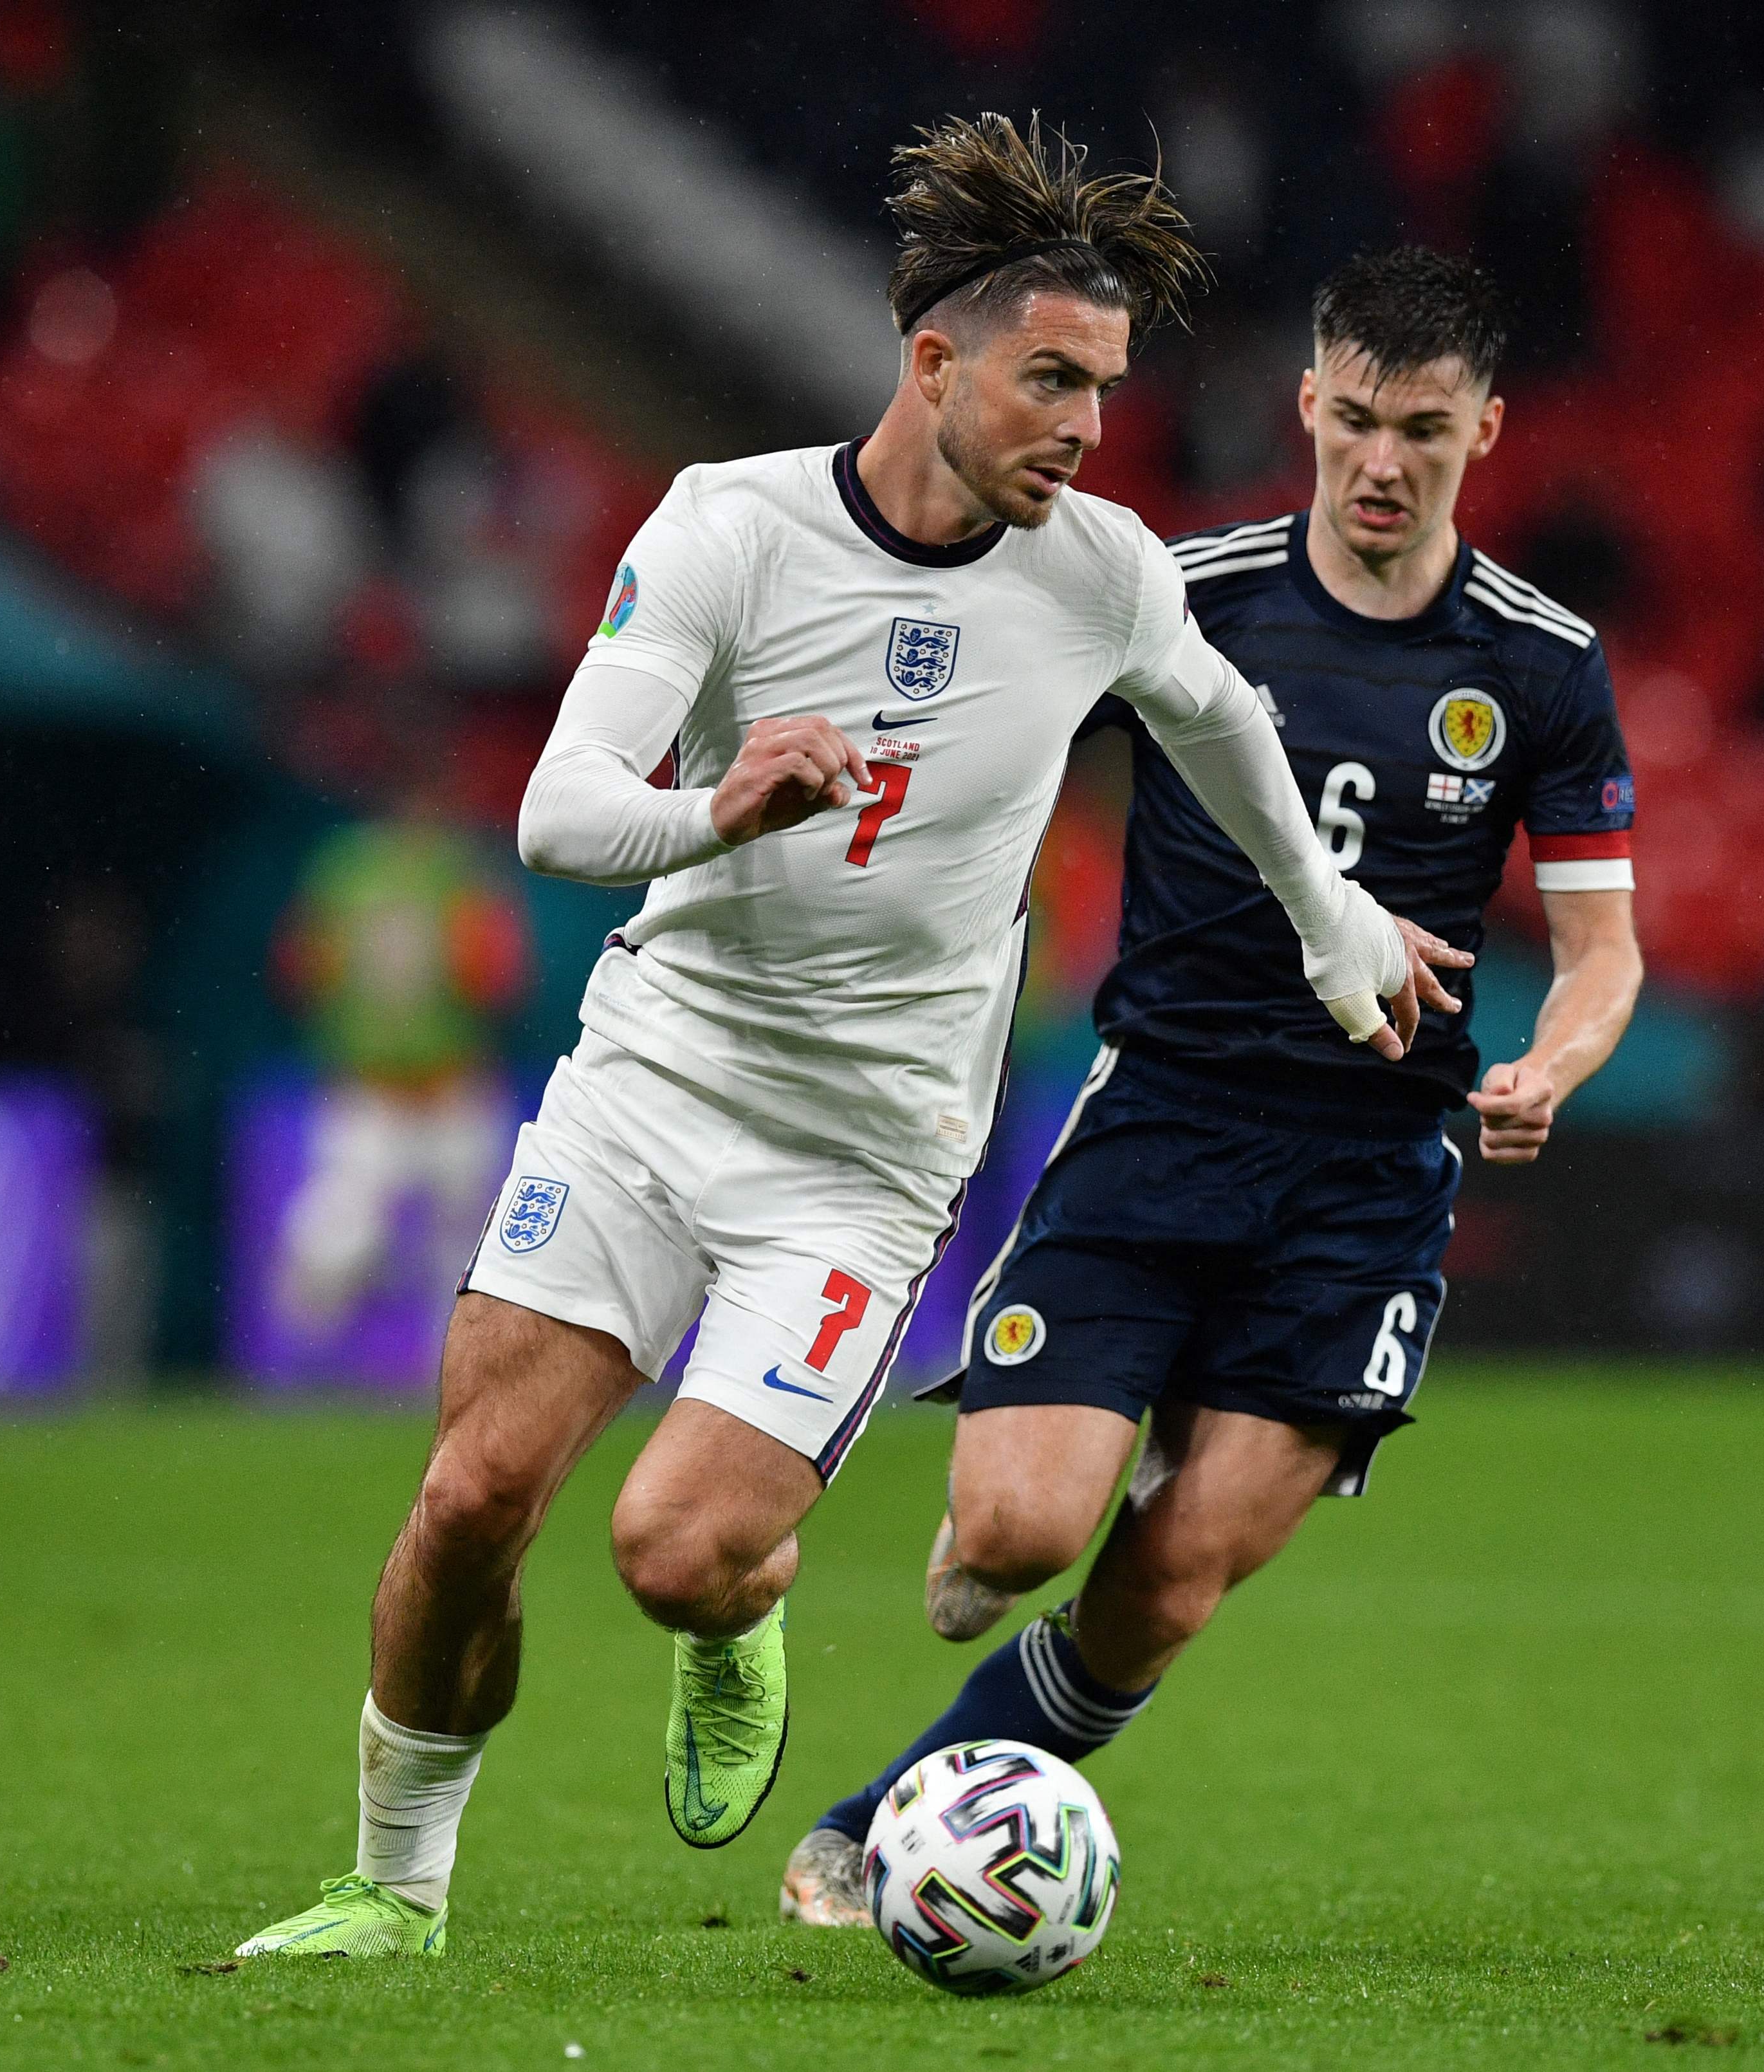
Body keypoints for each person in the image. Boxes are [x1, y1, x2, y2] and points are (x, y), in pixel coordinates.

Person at [231, 115, 1451, 1960]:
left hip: (861, 1164)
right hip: (658, 1076)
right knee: (472, 1492)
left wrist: (1329, 915)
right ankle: (394, 1890)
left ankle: (739, 1610)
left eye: (1105, 389)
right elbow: (561, 813)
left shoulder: (1097, 568)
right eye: (1051, 378)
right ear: (933, 362)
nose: (1084, 426)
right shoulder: (730, 526)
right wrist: (718, 811)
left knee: (670, 1548)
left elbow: (1217, 717)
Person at [776, 247, 1646, 1921]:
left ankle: (888, 1811)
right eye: (1357, 422)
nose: (1381, 466)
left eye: (1426, 433)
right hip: (1161, 1122)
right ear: (1307, 403)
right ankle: (1023, 1512)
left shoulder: (1537, 663)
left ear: (1486, 432)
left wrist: (1556, 1056)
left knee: (1170, 1579)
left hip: (1365, 1175)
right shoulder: (1182, 594)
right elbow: (980, 731)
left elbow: (1604, 948)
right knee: (1020, 1540)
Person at [268, 779, 534, 1348]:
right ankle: (293, 1363)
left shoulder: (351, 869)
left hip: (445, 1084)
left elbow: (300, 971)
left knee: (460, 1248)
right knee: (348, 1231)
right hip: (381, 1086)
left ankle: (437, 1379)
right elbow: (500, 978)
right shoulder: (445, 870)